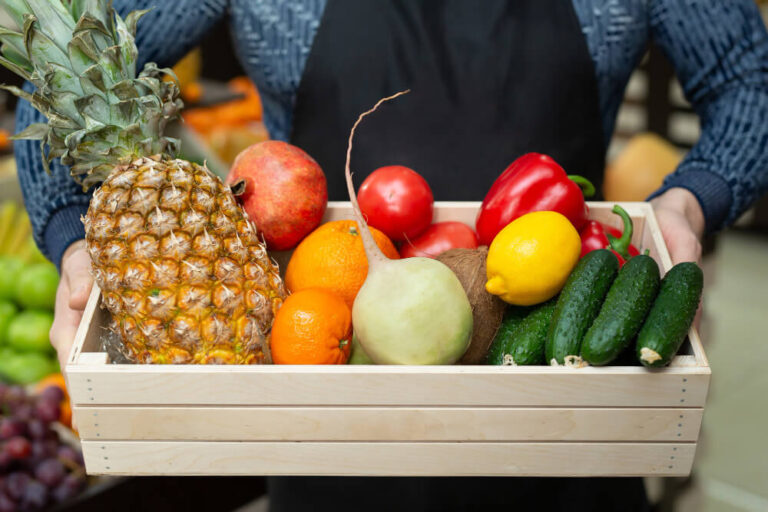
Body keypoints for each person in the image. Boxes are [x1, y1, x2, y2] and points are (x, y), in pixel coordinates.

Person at [13, 0, 768, 510]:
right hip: (327, 409)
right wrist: (71, 242)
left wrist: (690, 200)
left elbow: (748, 80)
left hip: (564, 391)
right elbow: (56, 79)